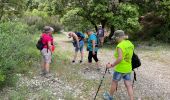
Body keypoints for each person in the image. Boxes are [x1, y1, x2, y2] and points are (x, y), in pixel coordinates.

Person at [104, 30, 134, 100]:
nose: (115, 39)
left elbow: (120, 58)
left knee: (114, 82)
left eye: (115, 38)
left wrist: (111, 65)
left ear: (119, 37)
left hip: (120, 69)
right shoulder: (130, 43)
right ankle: (131, 98)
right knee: (128, 85)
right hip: (128, 68)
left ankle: (110, 97)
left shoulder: (120, 46)